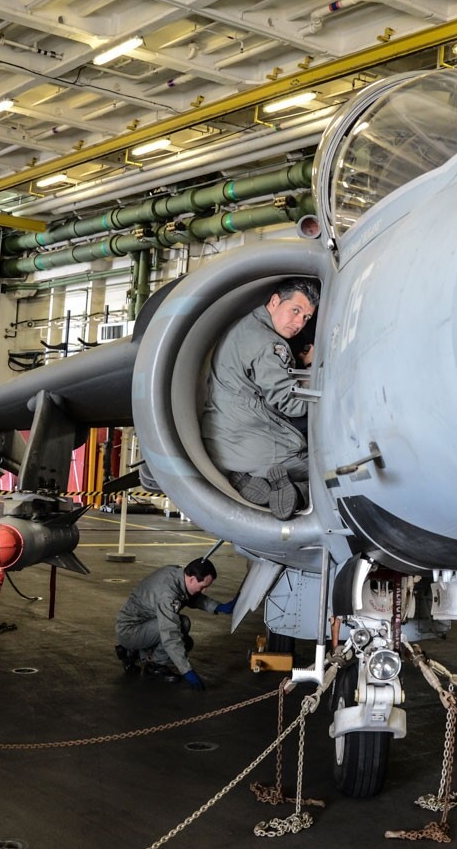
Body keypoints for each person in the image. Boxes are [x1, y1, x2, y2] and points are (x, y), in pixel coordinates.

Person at [201, 278, 318, 520]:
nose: (298, 323)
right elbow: (291, 403)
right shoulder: (269, 345)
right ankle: (295, 492)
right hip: (256, 446)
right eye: (295, 311)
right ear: (275, 301)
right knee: (328, 472)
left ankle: (249, 478)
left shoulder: (247, 326)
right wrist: (326, 392)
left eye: (306, 318)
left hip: (224, 439)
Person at [113, 558, 235, 689]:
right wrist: (187, 670)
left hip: (141, 624)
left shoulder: (178, 574)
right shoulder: (168, 594)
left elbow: (190, 596)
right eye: (203, 587)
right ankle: (155, 666)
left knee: (185, 639)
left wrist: (218, 607)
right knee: (181, 626)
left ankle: (132, 653)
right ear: (192, 579)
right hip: (130, 631)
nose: (204, 590)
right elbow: (170, 634)